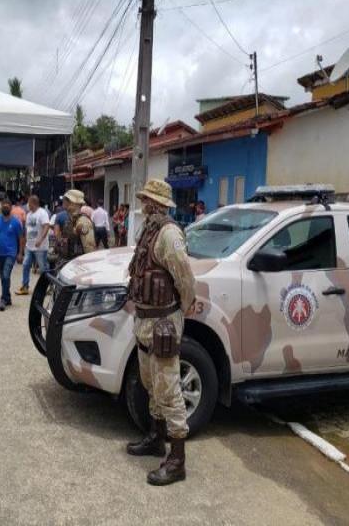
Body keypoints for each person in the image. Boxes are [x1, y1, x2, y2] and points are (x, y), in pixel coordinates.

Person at [125, 179, 195, 487]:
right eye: (144, 199)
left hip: (163, 321)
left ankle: (177, 460)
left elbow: (184, 276)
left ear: (160, 204)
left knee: (169, 389)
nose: (145, 205)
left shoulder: (169, 234)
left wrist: (185, 306)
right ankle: (156, 438)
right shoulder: (148, 231)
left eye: (149, 200)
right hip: (145, 320)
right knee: (150, 383)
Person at [52, 189, 96, 269]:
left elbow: (89, 250)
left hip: (77, 266)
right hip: (67, 263)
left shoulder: (83, 221)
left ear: (73, 202)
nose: (64, 201)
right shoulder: (71, 219)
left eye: (67, 199)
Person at [17, 195, 49, 295]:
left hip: (40, 247)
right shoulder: (29, 214)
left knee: (43, 268)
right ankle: (25, 286)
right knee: (26, 265)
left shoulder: (42, 213)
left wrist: (41, 239)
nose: (27, 205)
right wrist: (24, 244)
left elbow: (46, 226)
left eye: (29, 203)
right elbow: (27, 230)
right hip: (29, 246)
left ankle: (47, 287)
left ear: (33, 203)